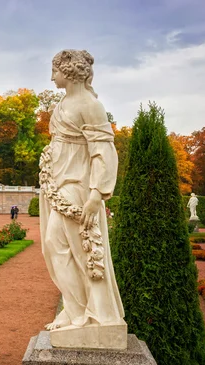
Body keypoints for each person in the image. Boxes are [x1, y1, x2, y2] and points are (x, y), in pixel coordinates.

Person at [39, 49, 124, 333]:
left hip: (77, 188)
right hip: (59, 185)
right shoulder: (63, 103)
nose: (52, 76)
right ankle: (74, 310)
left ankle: (92, 315)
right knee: (57, 249)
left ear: (70, 72)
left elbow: (104, 152)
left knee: (82, 252)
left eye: (56, 71)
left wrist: (96, 194)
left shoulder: (90, 105)